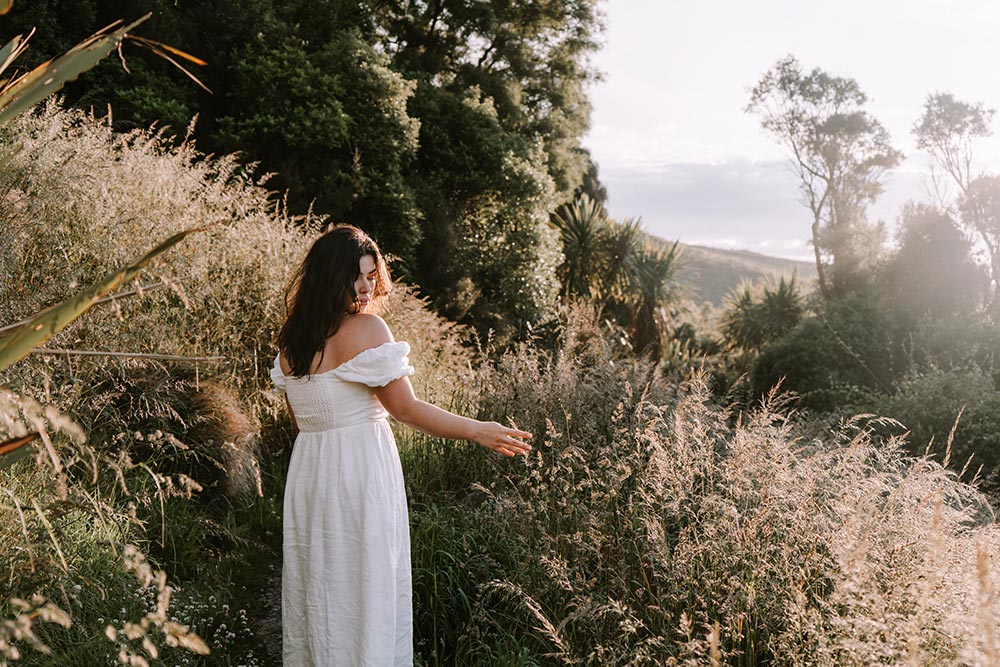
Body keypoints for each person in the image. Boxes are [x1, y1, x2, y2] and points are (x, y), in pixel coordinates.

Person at [270, 225, 532, 666]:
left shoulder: (290, 347)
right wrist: (477, 429)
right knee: (365, 585)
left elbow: (305, 425)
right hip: (360, 475)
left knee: (322, 583)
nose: (367, 287)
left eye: (372, 276)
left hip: (311, 479)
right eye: (357, 276)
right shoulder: (367, 329)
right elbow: (405, 409)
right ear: (331, 277)